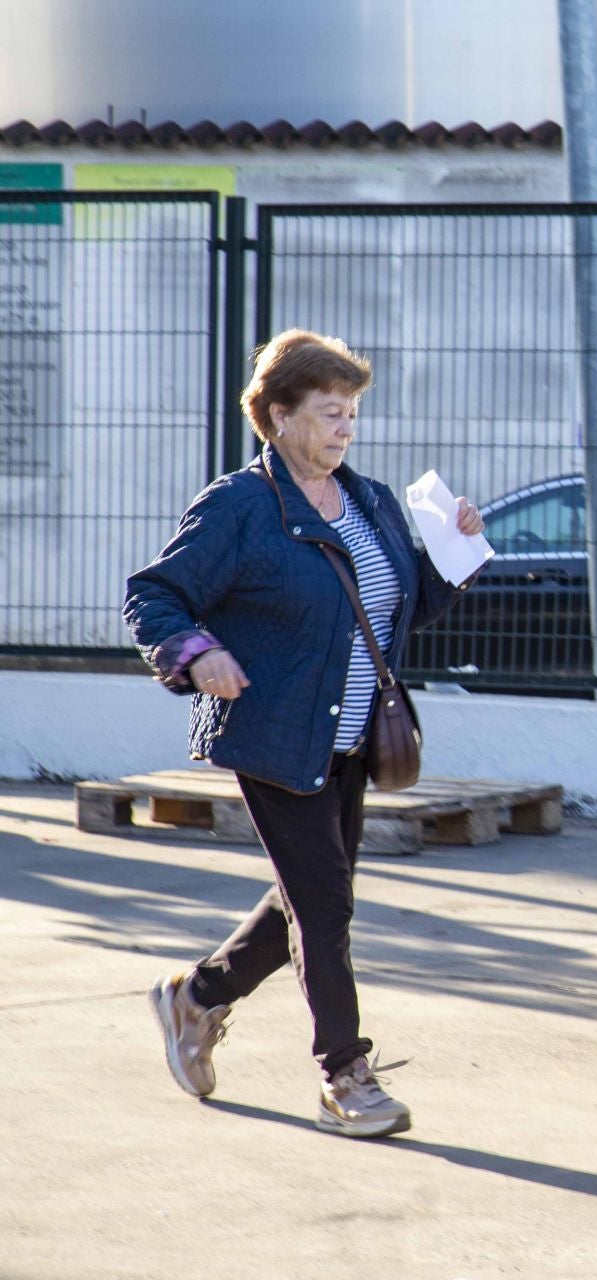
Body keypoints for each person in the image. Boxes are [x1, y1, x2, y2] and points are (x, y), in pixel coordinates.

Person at [124, 329, 485, 1139]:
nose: (345, 428)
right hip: (278, 733)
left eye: (352, 412)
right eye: (330, 412)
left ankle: (198, 996)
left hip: (353, 738)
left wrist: (455, 558)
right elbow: (153, 596)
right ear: (278, 416)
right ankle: (344, 1076)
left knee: (307, 901)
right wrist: (197, 651)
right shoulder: (241, 507)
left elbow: (402, 611)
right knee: (324, 905)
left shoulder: (372, 501)